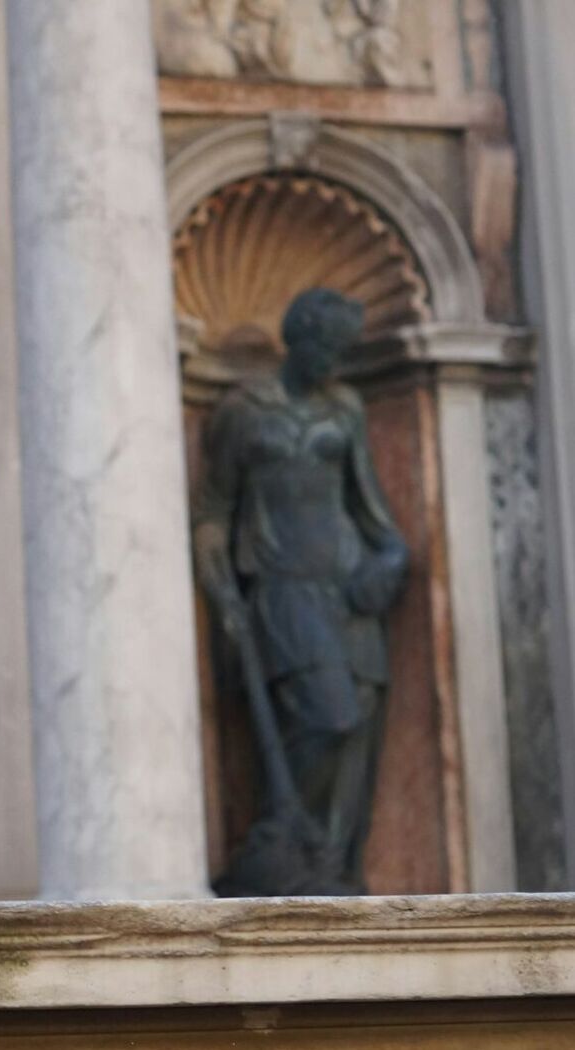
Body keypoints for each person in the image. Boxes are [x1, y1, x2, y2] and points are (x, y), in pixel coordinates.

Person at [193, 287, 406, 895]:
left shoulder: (344, 411)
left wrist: (390, 558)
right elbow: (215, 506)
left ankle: (326, 864)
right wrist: (217, 580)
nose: (335, 365)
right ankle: (280, 837)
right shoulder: (244, 412)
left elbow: (370, 507)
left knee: (355, 730)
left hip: (349, 589)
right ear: (301, 341)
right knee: (328, 718)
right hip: (281, 590)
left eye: (343, 353)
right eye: (329, 350)